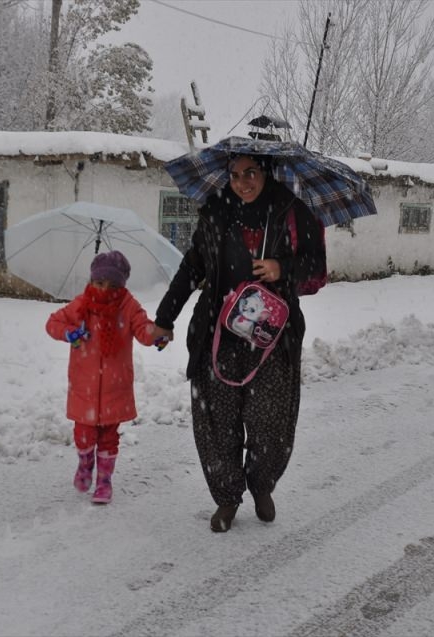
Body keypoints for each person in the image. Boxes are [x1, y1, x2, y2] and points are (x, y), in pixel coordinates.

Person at [150, 155, 326, 532]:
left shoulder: (291, 212)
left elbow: (316, 267)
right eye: (234, 175)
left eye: (251, 173)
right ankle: (228, 496)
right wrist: (165, 319)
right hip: (218, 332)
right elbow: (192, 266)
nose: (242, 182)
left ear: (267, 172)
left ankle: (262, 484)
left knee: (271, 424)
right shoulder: (216, 212)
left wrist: (283, 268)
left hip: (271, 339)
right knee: (216, 423)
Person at [46, 250, 163, 504]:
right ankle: (85, 464)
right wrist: (70, 333)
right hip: (84, 386)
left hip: (115, 387)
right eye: (99, 283)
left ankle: (104, 482)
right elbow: (53, 323)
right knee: (83, 435)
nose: (104, 289)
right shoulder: (82, 304)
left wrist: (158, 334)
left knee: (109, 438)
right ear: (92, 281)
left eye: (112, 285)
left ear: (122, 285)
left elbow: (144, 330)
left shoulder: (128, 306)